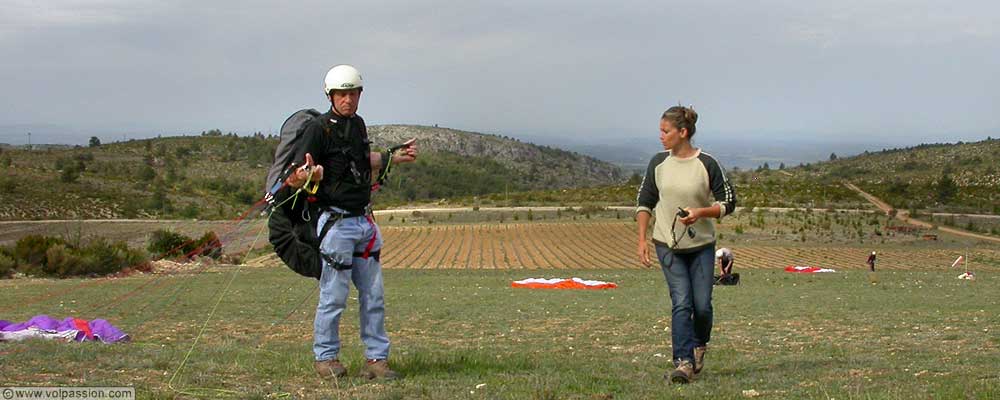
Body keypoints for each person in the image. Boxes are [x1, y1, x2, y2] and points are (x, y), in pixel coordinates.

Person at [285, 64, 418, 381]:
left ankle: (376, 361)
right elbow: (293, 176)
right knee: (333, 296)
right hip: (335, 223)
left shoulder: (358, 125)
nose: (348, 99)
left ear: (360, 94)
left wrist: (393, 157)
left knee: (374, 296)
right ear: (331, 96)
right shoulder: (317, 130)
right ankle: (326, 358)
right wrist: (308, 175)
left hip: (363, 222)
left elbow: (360, 162)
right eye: (342, 94)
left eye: (353, 93)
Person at [636, 106, 737, 384]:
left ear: (683, 132)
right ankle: (683, 362)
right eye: (660, 131)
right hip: (666, 245)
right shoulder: (658, 163)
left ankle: (699, 343)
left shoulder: (707, 163)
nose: (661, 136)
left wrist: (700, 213)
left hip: (702, 246)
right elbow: (644, 202)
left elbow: (729, 202)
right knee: (681, 302)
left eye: (665, 131)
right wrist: (642, 239)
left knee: (702, 305)